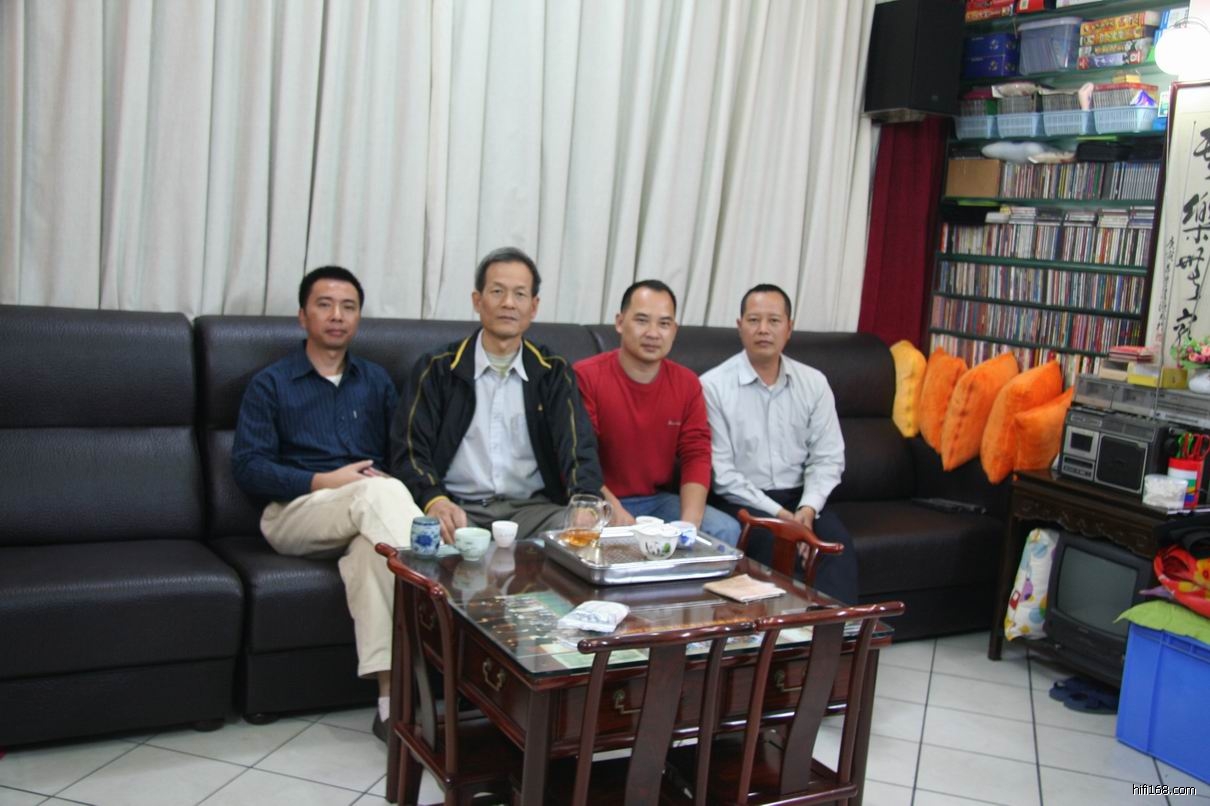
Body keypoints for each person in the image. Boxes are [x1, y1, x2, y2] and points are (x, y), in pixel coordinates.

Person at [231, 266, 421, 742]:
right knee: (376, 493)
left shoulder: (375, 382)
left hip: (367, 516)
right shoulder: (271, 383)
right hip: (294, 513)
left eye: (348, 307)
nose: (337, 315)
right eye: (325, 304)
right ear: (303, 316)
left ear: (358, 318)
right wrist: (324, 480)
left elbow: (398, 455)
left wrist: (394, 482)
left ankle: (391, 707)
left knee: (374, 560)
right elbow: (249, 468)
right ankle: (443, 587)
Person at [392, 246, 602, 543]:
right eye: (497, 291)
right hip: (459, 509)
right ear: (477, 301)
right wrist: (434, 499)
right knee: (426, 536)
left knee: (582, 535)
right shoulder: (437, 368)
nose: (508, 303)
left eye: (520, 294)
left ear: (534, 306)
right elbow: (409, 448)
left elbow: (579, 447)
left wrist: (585, 503)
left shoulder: (553, 371)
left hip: (534, 511)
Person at [701, 283, 859, 603]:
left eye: (773, 321)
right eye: (754, 320)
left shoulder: (814, 383)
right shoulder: (712, 386)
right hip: (744, 502)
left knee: (836, 549)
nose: (763, 329)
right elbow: (723, 475)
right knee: (775, 552)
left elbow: (828, 458)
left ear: (789, 328)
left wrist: (807, 510)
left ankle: (834, 634)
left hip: (802, 500)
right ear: (739, 326)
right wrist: (784, 518)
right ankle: (785, 634)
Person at [573, 280, 741, 545]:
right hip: (598, 499)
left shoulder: (687, 384)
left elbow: (696, 455)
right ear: (620, 322)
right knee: (587, 530)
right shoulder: (586, 376)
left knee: (723, 529)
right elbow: (578, 457)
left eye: (664, 324)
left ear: (674, 330)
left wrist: (689, 525)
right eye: (642, 320)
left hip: (656, 502)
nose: (653, 333)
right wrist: (612, 508)